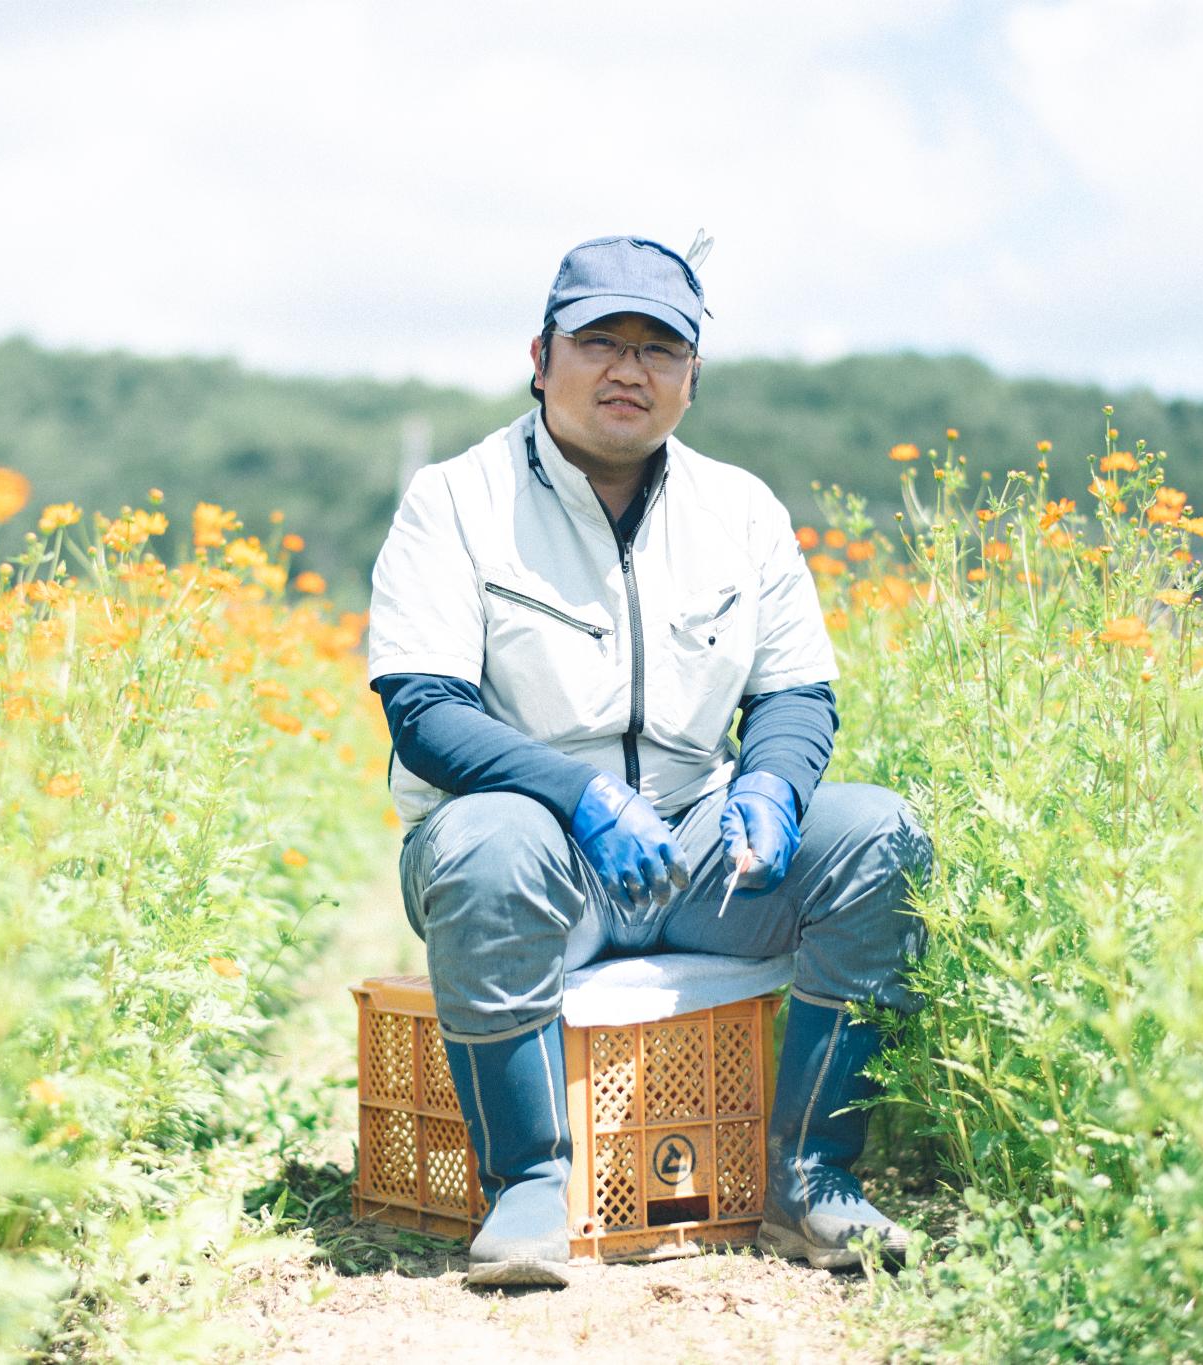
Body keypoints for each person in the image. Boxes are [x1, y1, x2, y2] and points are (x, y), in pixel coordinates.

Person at [365, 235, 932, 1288]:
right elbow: (424, 709)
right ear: (541, 358)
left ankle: (811, 1182)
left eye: (659, 350)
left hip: (700, 847)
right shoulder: (455, 500)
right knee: (489, 841)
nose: (628, 371)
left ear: (691, 380)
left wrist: (770, 784)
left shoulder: (740, 511)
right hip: (538, 857)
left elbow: (796, 693)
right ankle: (530, 1186)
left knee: (877, 835)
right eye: (599, 342)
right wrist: (577, 797)